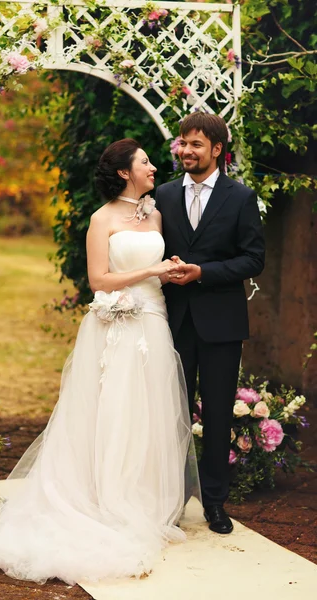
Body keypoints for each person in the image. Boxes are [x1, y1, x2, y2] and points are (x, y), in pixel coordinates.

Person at [0, 139, 201, 585]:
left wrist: (172, 268)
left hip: (154, 321)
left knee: (151, 411)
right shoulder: (100, 220)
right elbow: (99, 280)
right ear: (124, 172)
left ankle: (145, 501)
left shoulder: (157, 214)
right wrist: (151, 270)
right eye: (144, 161)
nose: (152, 166)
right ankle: (105, 498)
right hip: (117, 326)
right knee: (114, 410)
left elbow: (162, 265)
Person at [156, 112, 265, 534]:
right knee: (171, 414)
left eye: (196, 144)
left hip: (222, 323)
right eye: (183, 143)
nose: (185, 151)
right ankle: (171, 500)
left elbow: (253, 259)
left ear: (217, 150)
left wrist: (203, 271)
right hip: (173, 322)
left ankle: (215, 504)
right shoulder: (162, 196)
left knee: (218, 415)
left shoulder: (240, 197)